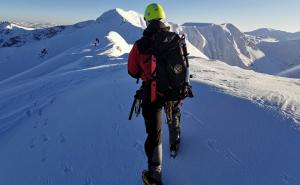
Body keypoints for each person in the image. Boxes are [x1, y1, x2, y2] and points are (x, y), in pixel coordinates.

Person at [128, 3, 190, 185]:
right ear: (163, 18)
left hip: (152, 93)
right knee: (173, 113)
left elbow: (132, 71)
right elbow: (184, 64)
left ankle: (155, 174)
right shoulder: (175, 39)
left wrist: (147, 74)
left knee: (154, 134)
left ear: (147, 20)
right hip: (174, 90)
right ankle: (175, 142)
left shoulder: (140, 45)